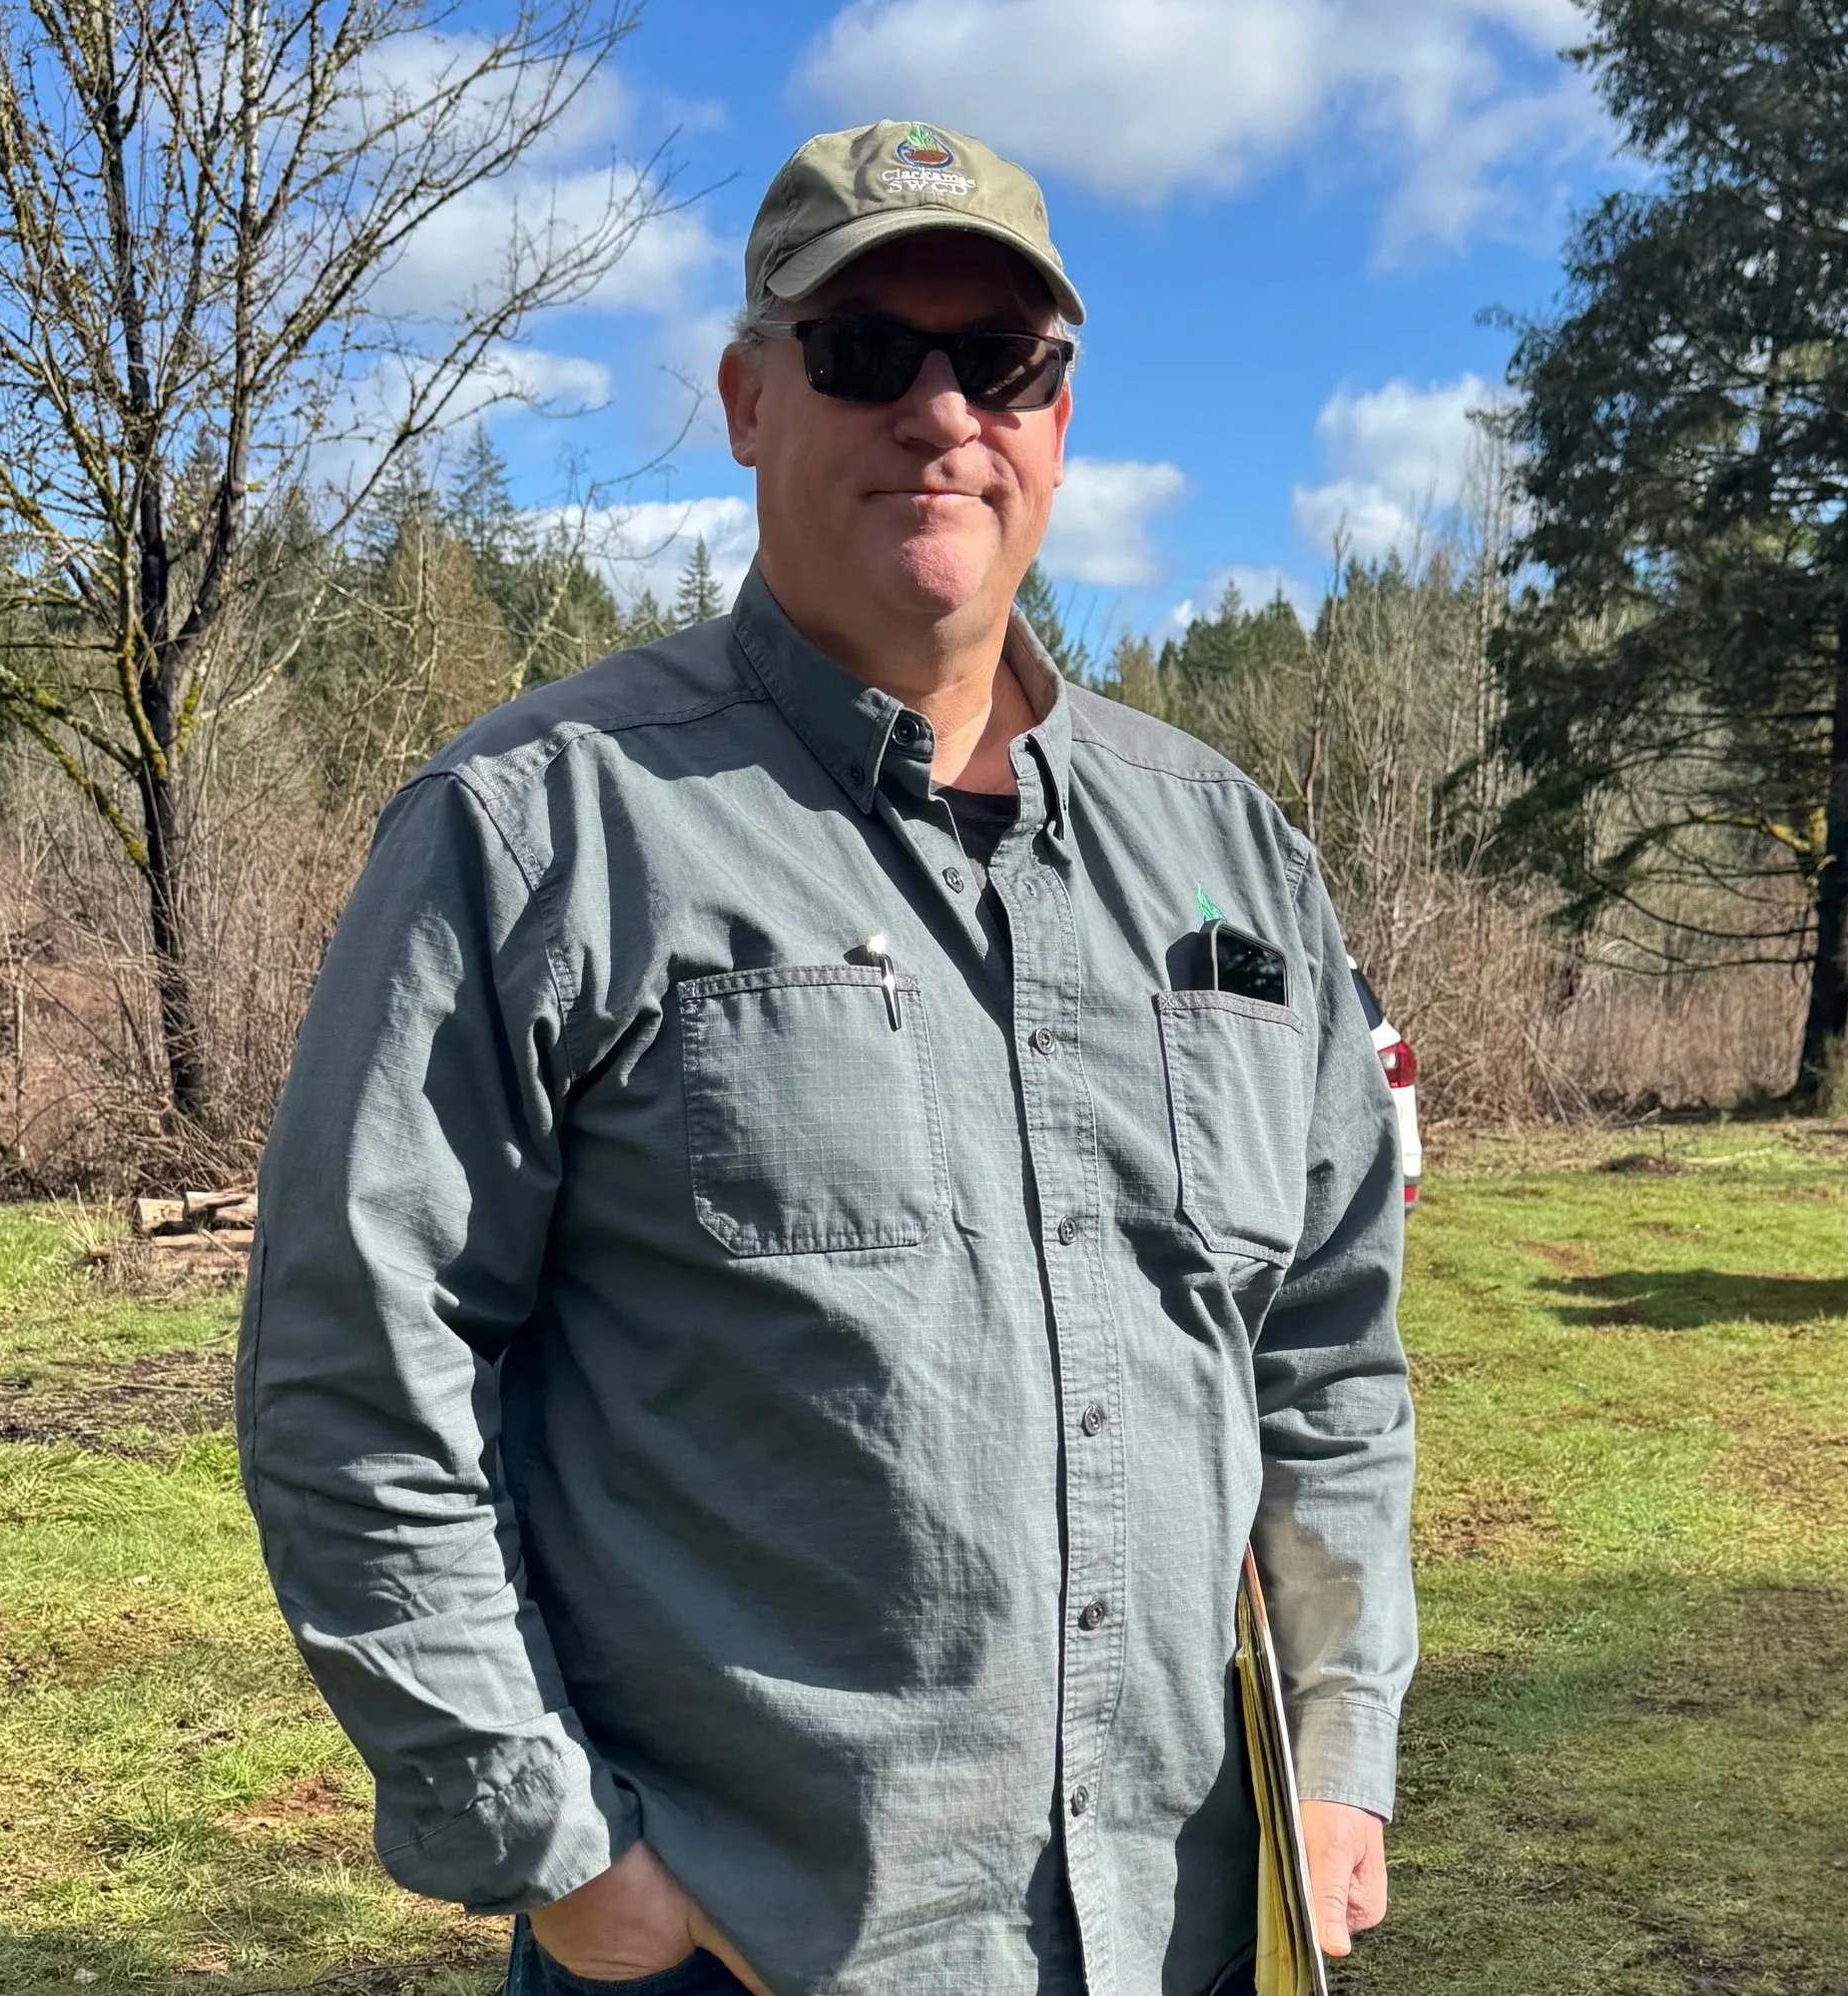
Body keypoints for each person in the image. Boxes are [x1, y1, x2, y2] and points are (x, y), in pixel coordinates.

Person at [238, 118, 1416, 1996]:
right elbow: (356, 1372)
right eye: (869, 348)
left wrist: (1340, 1743)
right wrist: (553, 1843)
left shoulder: (1233, 853)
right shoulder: (541, 831)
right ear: (745, 399)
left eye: (1002, 363)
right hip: (743, 1948)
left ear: (1057, 416)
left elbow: (1327, 1352)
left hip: (1184, 1929)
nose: (941, 409)